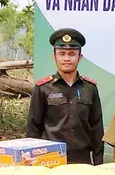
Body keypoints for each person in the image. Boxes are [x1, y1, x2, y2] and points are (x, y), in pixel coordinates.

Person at [26, 28, 104, 165]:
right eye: (62, 53)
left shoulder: (90, 88)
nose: (67, 58)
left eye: (72, 54)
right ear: (54, 56)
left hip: (82, 160)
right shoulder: (43, 88)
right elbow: (33, 129)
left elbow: (96, 128)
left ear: (80, 57)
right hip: (50, 159)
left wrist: (98, 164)